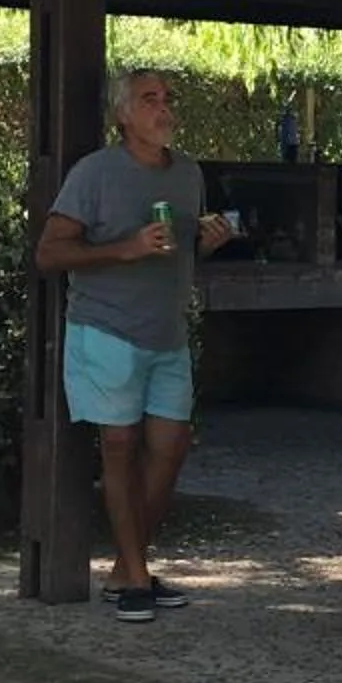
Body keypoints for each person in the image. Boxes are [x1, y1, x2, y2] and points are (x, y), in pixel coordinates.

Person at [34, 69, 235, 624]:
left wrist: (209, 242)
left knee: (170, 449)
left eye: (169, 99)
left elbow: (182, 250)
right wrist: (124, 248)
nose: (164, 108)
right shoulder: (95, 172)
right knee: (119, 448)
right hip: (106, 331)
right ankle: (135, 574)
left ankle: (130, 568)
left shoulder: (188, 173)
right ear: (123, 116)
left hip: (167, 333)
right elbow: (49, 254)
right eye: (150, 100)